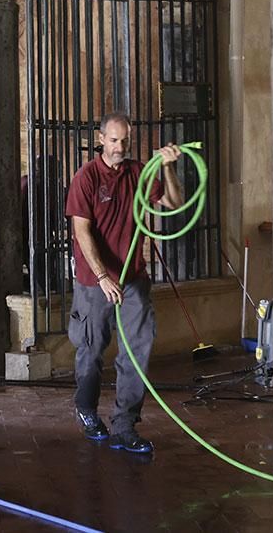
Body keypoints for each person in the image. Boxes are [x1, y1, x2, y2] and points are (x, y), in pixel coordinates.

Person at [64, 112, 184, 454]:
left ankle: (125, 424)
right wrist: (103, 276)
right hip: (95, 281)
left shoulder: (138, 172)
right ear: (101, 139)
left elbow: (173, 204)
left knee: (138, 348)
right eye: (114, 141)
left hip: (133, 278)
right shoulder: (86, 178)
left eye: (125, 141)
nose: (120, 147)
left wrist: (167, 167)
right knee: (91, 348)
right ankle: (87, 411)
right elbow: (82, 231)